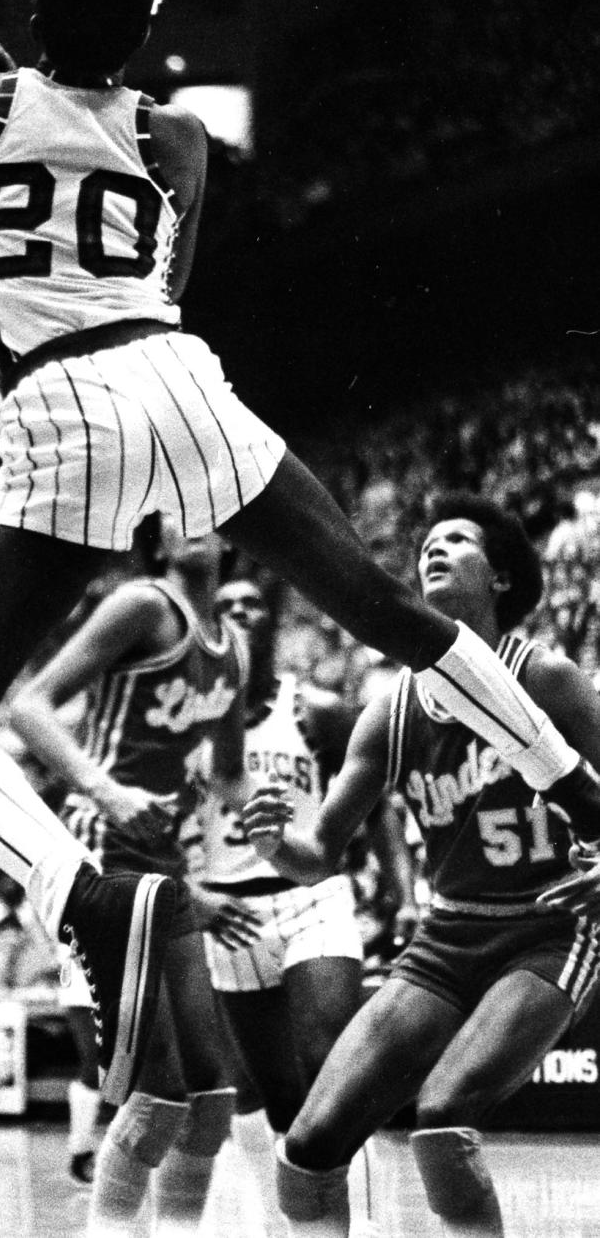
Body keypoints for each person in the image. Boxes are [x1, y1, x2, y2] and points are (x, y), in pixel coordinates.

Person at [0, 0, 600, 1115]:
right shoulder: (175, 134)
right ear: (141, 37)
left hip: (58, 402)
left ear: (27, 21)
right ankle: (571, 783)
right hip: (176, 371)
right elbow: (169, 277)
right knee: (384, 607)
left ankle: (71, 890)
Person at [242, 495, 600, 1238]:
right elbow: (318, 854)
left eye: (458, 539)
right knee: (305, 1149)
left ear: (501, 578)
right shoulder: (391, 710)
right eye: (426, 542)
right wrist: (277, 842)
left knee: (442, 1122)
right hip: (447, 940)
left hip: (552, 930)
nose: (434, 548)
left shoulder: (548, 677)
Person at [9, 523, 261, 1237]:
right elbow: (30, 705)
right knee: (161, 1090)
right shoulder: (143, 605)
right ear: (158, 539)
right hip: (98, 845)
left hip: (160, 862)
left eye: (208, 505)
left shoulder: (233, 647)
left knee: (213, 1093)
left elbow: (231, 777)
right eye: (178, 509)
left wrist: (293, 837)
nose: (200, 519)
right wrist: (104, 786)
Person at [195, 572, 404, 1230]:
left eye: (250, 604)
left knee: (328, 1064)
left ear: (272, 622)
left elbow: (374, 799)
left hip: (313, 894)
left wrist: (399, 879)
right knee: (281, 1100)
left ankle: (368, 1222)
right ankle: (295, 1221)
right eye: (223, 605)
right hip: (229, 916)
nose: (237, 613)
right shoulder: (182, 726)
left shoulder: (317, 709)